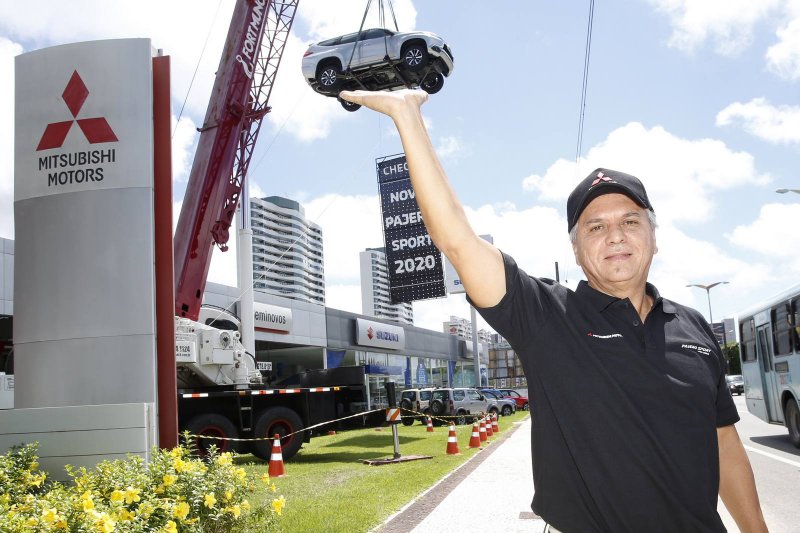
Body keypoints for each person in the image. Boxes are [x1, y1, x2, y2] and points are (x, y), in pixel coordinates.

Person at [340, 89, 768, 533]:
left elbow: (722, 440)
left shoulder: (694, 326)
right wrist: (407, 117)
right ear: (577, 249)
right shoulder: (545, 316)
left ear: (653, 237)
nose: (616, 236)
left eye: (630, 221)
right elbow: (458, 241)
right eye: (596, 227)